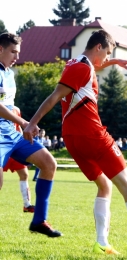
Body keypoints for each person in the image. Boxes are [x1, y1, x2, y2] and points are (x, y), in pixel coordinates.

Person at [23, 30, 127, 255]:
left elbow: (92, 66)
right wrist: (31, 124)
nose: (106, 58)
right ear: (98, 47)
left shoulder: (76, 62)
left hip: (73, 139)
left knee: (104, 185)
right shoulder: (81, 69)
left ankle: (101, 242)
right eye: (107, 52)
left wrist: (114, 61)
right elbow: (54, 96)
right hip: (93, 135)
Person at [0, 32, 61, 237]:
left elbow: (8, 105)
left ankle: (39, 221)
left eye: (18, 52)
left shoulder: (9, 73)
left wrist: (22, 126)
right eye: (13, 52)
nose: (17, 56)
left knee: (48, 163)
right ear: (0, 49)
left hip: (12, 133)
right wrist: (25, 123)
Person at [3, 106, 35, 212]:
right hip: (2, 145)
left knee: (24, 174)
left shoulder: (16, 109)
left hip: (14, 145)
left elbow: (18, 127)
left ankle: (27, 205)